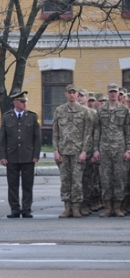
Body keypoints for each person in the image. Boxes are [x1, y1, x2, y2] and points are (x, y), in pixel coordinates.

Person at [0, 89, 41, 218]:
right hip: (12, 156)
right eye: (22, 101)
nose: (25, 104)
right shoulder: (7, 117)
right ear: (15, 103)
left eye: (25, 101)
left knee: (27, 184)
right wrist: (3, 156)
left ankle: (26, 209)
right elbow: (3, 138)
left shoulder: (32, 117)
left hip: (27, 156)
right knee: (13, 184)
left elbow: (37, 137)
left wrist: (35, 155)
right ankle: (15, 209)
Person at [52, 84, 93, 218]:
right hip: (63, 151)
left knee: (77, 181)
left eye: (74, 93)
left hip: (77, 151)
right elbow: (55, 132)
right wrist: (56, 150)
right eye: (69, 92)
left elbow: (87, 133)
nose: (71, 95)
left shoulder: (84, 111)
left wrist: (84, 151)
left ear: (77, 95)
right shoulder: (59, 111)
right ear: (65, 94)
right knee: (65, 180)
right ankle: (67, 207)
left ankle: (76, 207)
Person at [91, 83, 130, 217]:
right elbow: (97, 130)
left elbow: (127, 131)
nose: (113, 94)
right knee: (105, 177)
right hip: (104, 148)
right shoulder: (101, 110)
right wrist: (95, 149)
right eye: (111, 92)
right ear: (108, 93)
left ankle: (118, 207)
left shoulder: (124, 111)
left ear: (118, 94)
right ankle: (108, 207)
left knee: (119, 178)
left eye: (115, 92)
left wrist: (128, 149)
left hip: (120, 148)